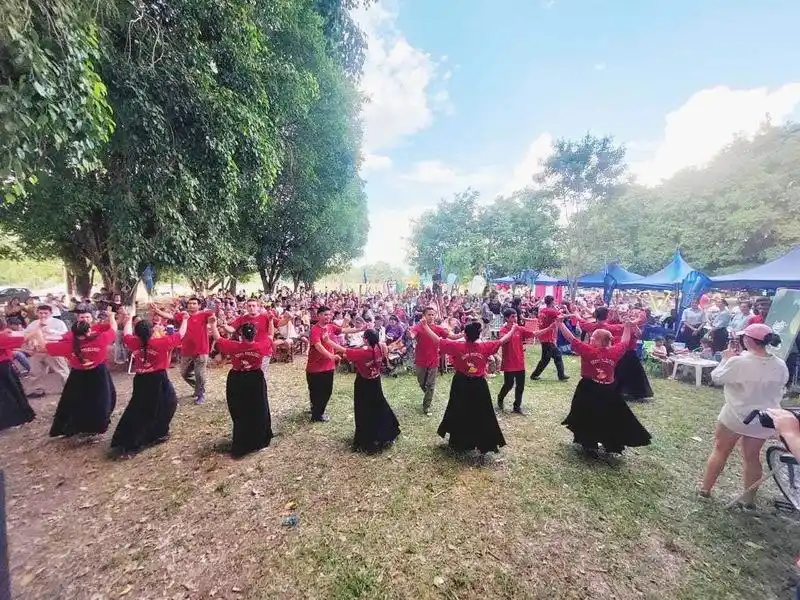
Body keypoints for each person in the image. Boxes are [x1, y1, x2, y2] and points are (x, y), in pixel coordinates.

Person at [698, 324, 788, 506]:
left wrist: (726, 359)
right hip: (763, 418)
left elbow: (717, 377)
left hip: (735, 414)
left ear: (748, 340)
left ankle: (705, 489)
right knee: (752, 457)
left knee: (721, 450)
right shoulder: (780, 364)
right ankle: (748, 500)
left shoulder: (739, 362)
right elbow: (782, 385)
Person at [555, 316, 652, 456]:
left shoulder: (589, 351)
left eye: (593, 338)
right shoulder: (614, 351)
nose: (590, 339)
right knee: (605, 416)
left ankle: (591, 444)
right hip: (608, 389)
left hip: (591, 388)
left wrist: (560, 324)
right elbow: (625, 342)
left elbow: (571, 338)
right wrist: (626, 327)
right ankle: (598, 443)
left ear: (599, 341)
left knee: (589, 416)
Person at [418, 320, 515, 456]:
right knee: (482, 414)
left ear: (465, 334)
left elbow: (438, 341)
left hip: (461, 383)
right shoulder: (486, 346)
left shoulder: (457, 346)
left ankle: (460, 442)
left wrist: (425, 326)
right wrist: (513, 329)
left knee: (459, 411)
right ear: (478, 334)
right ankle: (482, 442)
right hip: (479, 385)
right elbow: (502, 340)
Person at [110, 314, 188, 453]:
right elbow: (181, 334)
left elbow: (126, 333)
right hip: (157, 379)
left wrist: (128, 320)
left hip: (141, 379)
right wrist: (186, 320)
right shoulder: (161, 342)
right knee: (167, 404)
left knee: (140, 408)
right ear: (151, 331)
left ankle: (133, 437)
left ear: (137, 332)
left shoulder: (134, 341)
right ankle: (156, 434)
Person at [45, 307, 118, 438]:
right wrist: (112, 316)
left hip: (82, 374)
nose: (84, 319)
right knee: (98, 399)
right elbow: (113, 328)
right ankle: (95, 424)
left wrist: (36, 336)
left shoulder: (72, 342)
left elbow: (45, 347)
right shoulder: (99, 339)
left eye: (87, 317)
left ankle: (75, 425)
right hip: (94, 373)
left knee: (79, 400)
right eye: (82, 317)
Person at [211, 321, 274, 457]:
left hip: (237, 379)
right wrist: (270, 321)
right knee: (258, 408)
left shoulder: (234, 346)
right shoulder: (260, 346)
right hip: (255, 379)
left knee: (240, 409)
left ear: (241, 334)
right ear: (255, 334)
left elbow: (217, 338)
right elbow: (270, 336)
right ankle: (259, 439)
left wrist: (213, 324)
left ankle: (242, 441)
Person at [335, 329, 400, 453]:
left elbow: (344, 351)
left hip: (364, 383)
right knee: (379, 406)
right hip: (376, 380)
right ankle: (387, 432)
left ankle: (367, 439)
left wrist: (327, 341)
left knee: (364, 410)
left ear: (365, 340)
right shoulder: (380, 347)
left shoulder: (363, 352)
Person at [152, 298, 213, 405]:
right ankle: (198, 388)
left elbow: (213, 317)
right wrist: (157, 311)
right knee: (184, 373)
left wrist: (214, 319)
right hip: (187, 350)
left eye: (194, 303)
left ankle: (200, 394)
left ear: (199, 305)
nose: (191, 305)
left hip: (202, 350)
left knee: (199, 374)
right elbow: (170, 316)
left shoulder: (204, 315)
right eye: (189, 303)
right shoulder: (183, 315)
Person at [305, 306, 358, 423]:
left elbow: (344, 330)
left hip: (328, 366)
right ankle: (316, 414)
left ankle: (317, 412)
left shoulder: (330, 327)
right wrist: (331, 356)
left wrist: (359, 329)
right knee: (315, 391)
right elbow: (318, 346)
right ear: (319, 315)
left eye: (329, 314)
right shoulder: (315, 330)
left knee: (326, 391)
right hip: (315, 367)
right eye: (325, 314)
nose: (328, 317)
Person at [496, 308, 554, 414]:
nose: (515, 318)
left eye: (516, 316)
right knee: (508, 385)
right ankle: (500, 398)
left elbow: (534, 334)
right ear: (506, 318)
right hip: (509, 363)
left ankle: (517, 407)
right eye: (512, 316)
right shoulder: (503, 330)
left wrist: (549, 329)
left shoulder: (519, 329)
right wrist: (513, 330)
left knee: (520, 386)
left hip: (520, 363)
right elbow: (503, 341)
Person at [410, 306, 462, 416]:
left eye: (433, 314)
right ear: (424, 316)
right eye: (429, 314)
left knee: (430, 384)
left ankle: (426, 406)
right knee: (421, 382)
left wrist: (462, 334)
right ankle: (428, 394)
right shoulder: (418, 327)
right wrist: (409, 334)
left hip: (433, 359)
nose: (431, 317)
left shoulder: (438, 328)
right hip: (420, 360)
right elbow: (412, 335)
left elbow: (452, 337)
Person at [23, 304, 70, 397]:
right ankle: (36, 390)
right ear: (37, 313)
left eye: (45, 313)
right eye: (41, 313)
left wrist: (51, 331)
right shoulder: (33, 323)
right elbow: (26, 335)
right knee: (35, 371)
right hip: (37, 350)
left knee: (62, 371)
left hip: (53, 349)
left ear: (51, 313)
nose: (43, 315)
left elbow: (65, 335)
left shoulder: (58, 323)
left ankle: (70, 389)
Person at [0, 317, 37, 431]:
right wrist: (36, 332)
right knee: (8, 393)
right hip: (2, 367)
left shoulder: (3, 335)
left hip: (5, 365)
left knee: (9, 392)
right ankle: (13, 420)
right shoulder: (2, 336)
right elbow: (21, 339)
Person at [224, 298, 275, 381]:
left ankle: (262, 388)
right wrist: (224, 325)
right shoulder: (242, 318)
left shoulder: (265, 317)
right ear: (246, 307)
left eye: (253, 306)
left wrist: (272, 320)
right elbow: (232, 329)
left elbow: (273, 330)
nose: (251, 308)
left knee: (262, 375)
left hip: (263, 350)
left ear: (258, 307)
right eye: (249, 306)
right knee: (249, 375)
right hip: (249, 351)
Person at [530, 295, 568, 382]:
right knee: (556, 356)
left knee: (547, 359)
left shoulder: (543, 310)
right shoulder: (551, 311)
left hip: (544, 336)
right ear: (552, 301)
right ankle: (561, 375)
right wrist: (573, 314)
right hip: (547, 337)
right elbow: (561, 317)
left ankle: (535, 375)